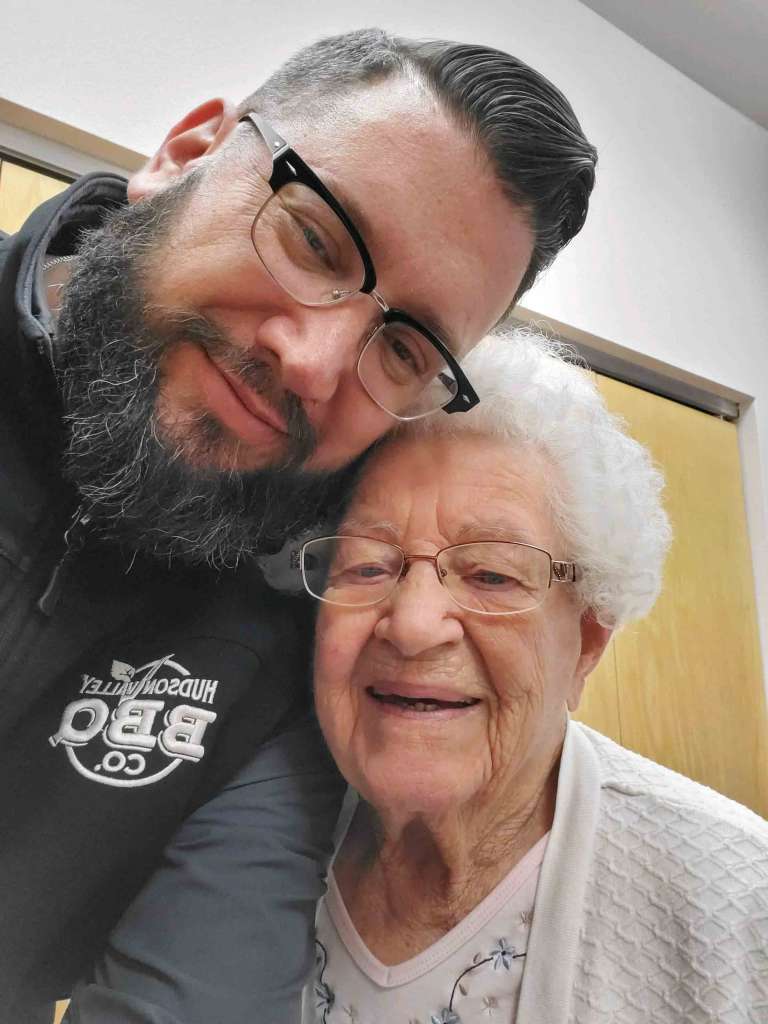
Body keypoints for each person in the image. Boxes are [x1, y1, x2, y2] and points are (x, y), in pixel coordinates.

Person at [0, 26, 598, 1024]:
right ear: (186, 153)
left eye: (403, 350)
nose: (316, 363)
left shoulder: (305, 617)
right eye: (315, 238)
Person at [299, 331, 768, 1023]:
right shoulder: (248, 829)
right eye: (369, 565)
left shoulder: (735, 895)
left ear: (585, 644)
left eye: (491, 573)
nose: (413, 623)